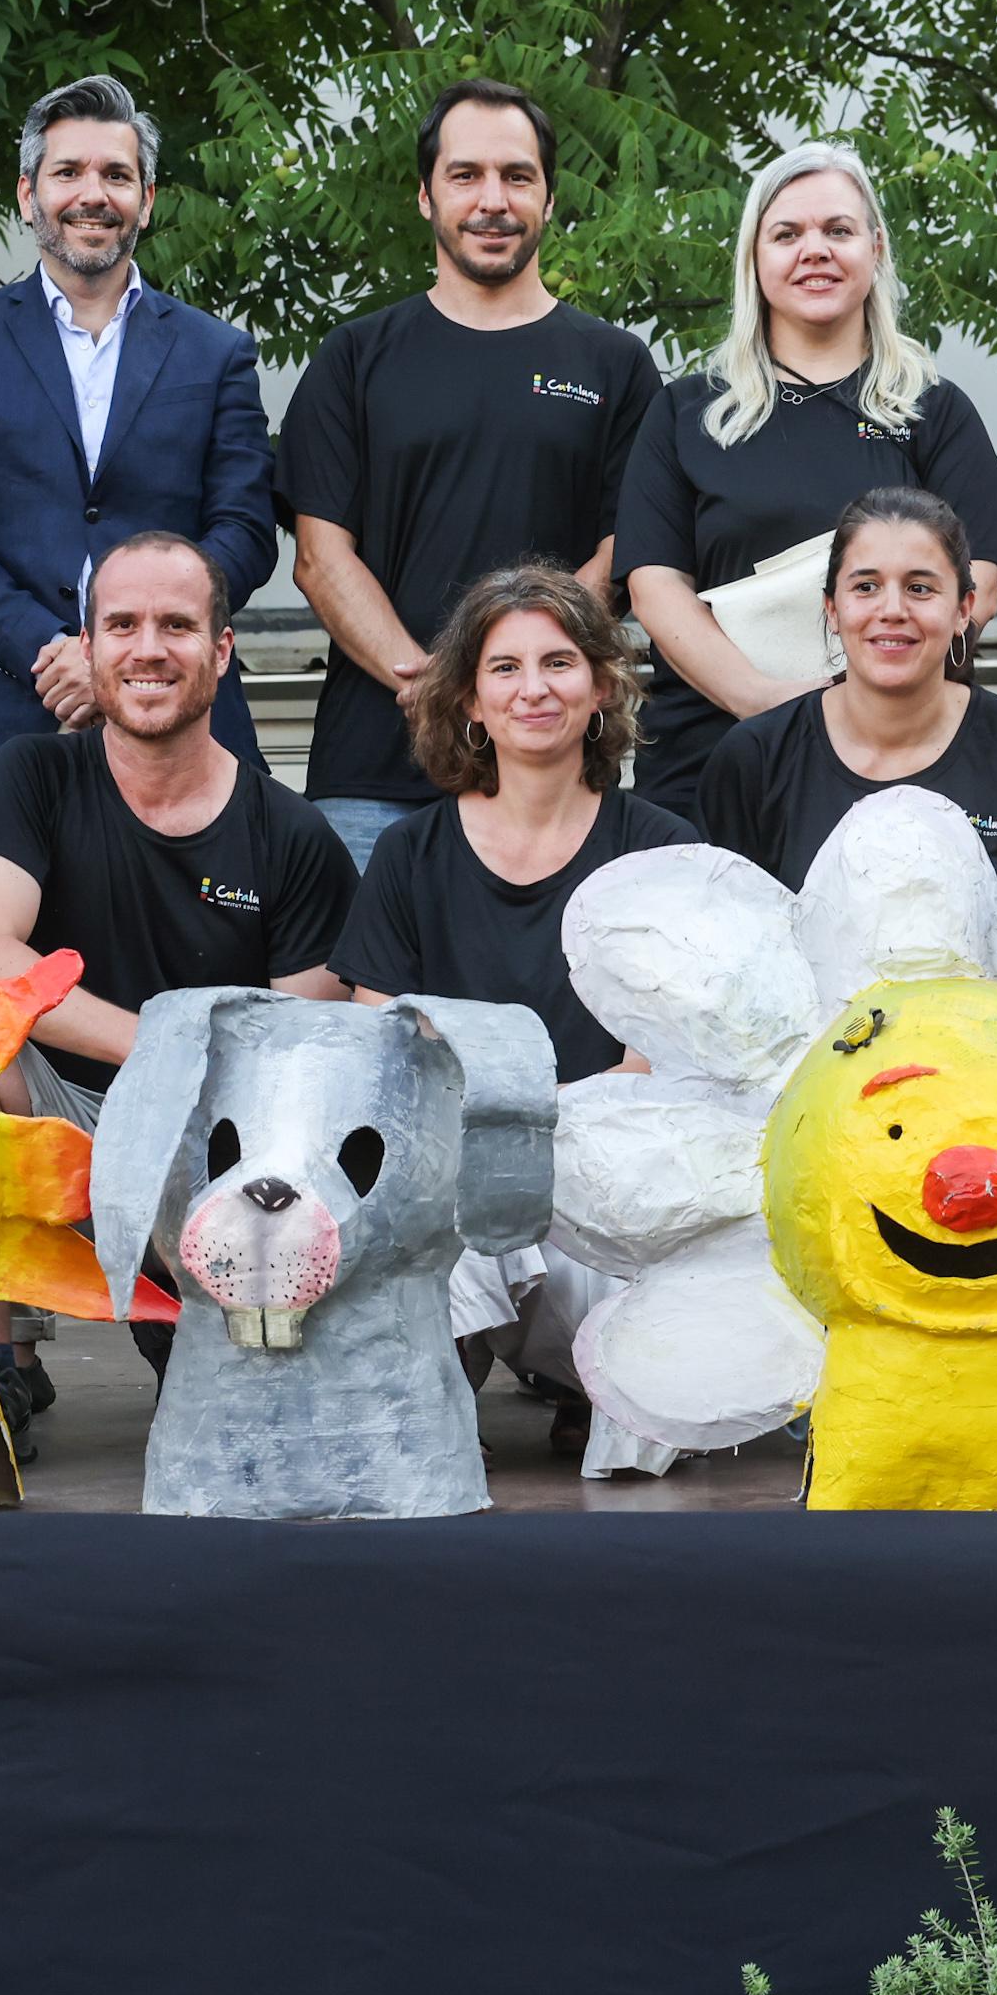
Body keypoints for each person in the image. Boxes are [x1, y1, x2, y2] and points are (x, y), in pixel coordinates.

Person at [0, 532, 356, 1389]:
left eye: (177, 623)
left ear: (223, 649)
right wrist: (162, 1043)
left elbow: (302, 1062)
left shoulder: (290, 833)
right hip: (64, 1113)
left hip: (218, 1134)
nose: (149, 648)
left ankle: (203, 1309)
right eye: (121, 624)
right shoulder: (34, 777)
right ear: (88, 649)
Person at [334, 563, 699, 1465]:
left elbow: (653, 1073)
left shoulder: (662, 848)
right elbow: (388, 1061)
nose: (533, 688)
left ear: (602, 686)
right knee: (444, 1197)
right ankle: (426, 1394)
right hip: (457, 1206)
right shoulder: (409, 855)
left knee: (647, 1404)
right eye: (504, 668)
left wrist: (516, 1128)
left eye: (559, 662)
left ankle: (588, 1382)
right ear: (467, 699)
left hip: (611, 1201)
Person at [285, 80, 660, 865]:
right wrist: (441, 690)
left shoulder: (615, 365)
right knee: (362, 994)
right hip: (371, 780)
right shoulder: (354, 359)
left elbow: (624, 553)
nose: (493, 200)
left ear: (549, 199)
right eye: (466, 176)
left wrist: (517, 684)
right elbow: (322, 559)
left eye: (517, 177)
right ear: (425, 197)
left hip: (555, 774)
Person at [0, 74, 276, 792]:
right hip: (11, 716)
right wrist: (52, 652)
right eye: (67, 172)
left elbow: (246, 530)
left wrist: (134, 649)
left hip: (188, 724)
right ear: (27, 193)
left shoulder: (216, 353)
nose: (93, 194)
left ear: (148, 199)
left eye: (117, 175)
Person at [614, 144, 997, 818]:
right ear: (754, 257)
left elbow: (979, 577)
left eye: (838, 230)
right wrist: (760, 699)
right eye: (787, 234)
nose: (815, 251)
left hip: (902, 758)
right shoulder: (686, 412)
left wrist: (865, 702)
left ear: (876, 247)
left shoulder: (933, 410)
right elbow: (655, 585)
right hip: (713, 758)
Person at [701, 490, 997, 885]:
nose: (892, 610)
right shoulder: (756, 759)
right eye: (866, 587)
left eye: (919, 588)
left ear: (963, 609)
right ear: (832, 609)